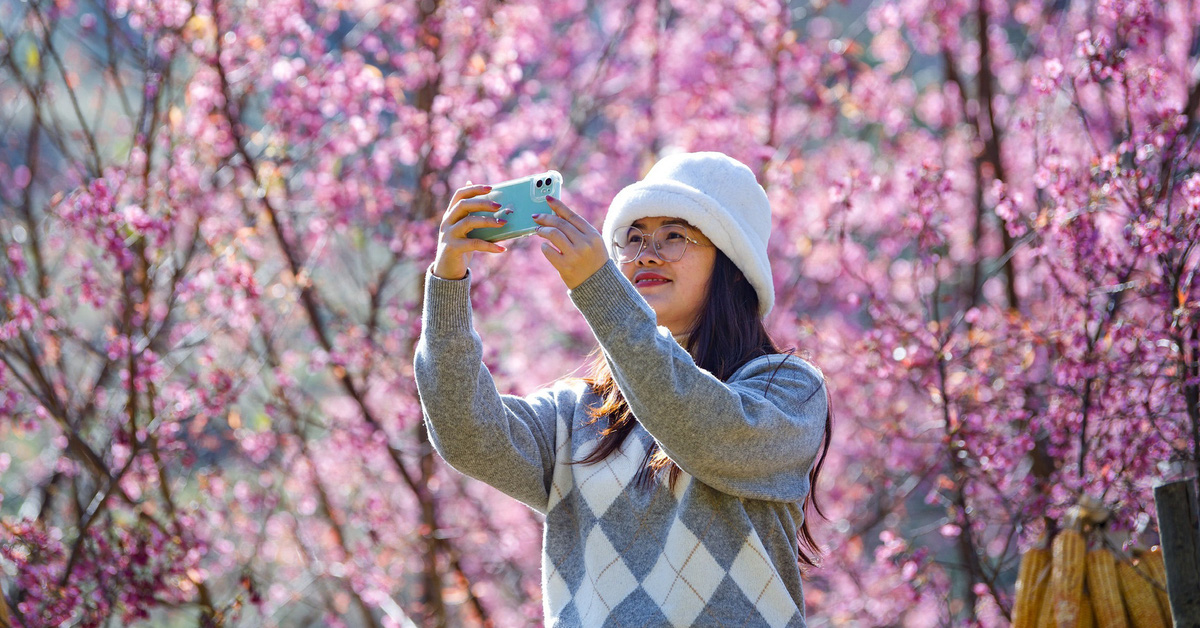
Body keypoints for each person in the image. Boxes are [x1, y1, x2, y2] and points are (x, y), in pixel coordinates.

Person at [415, 151, 832, 627]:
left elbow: (700, 432)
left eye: (675, 235)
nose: (645, 254)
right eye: (632, 238)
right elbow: (467, 436)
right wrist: (447, 282)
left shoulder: (787, 388)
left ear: (733, 263)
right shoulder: (581, 410)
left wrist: (599, 290)